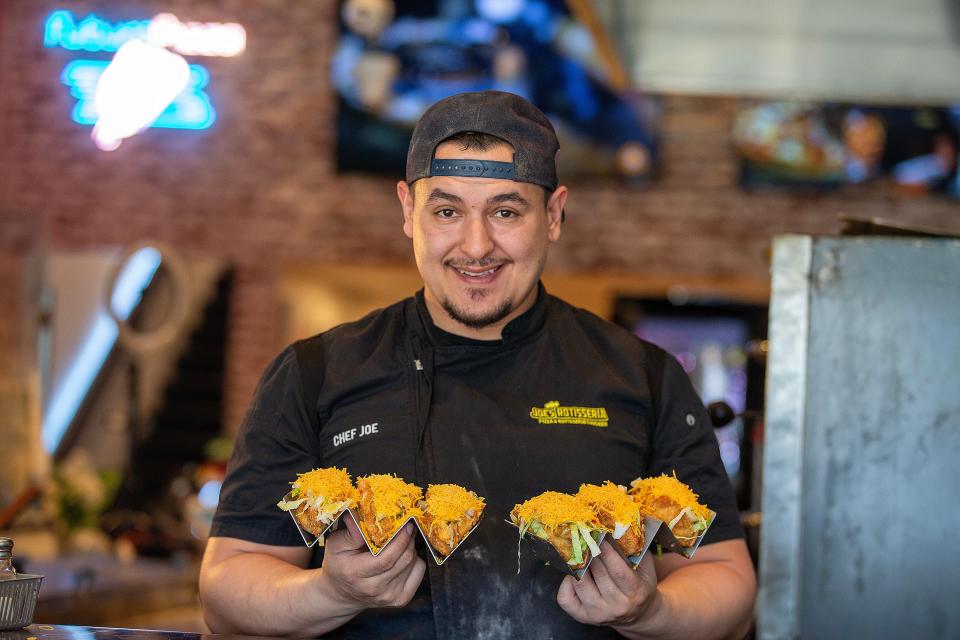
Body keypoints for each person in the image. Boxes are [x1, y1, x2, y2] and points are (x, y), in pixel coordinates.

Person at [199, 90, 756, 639]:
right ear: (407, 212)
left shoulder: (644, 376)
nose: (475, 245)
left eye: (506, 211)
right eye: (446, 211)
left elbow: (726, 584)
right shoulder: (315, 372)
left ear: (554, 215)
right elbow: (227, 591)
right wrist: (330, 593)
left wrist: (650, 613)